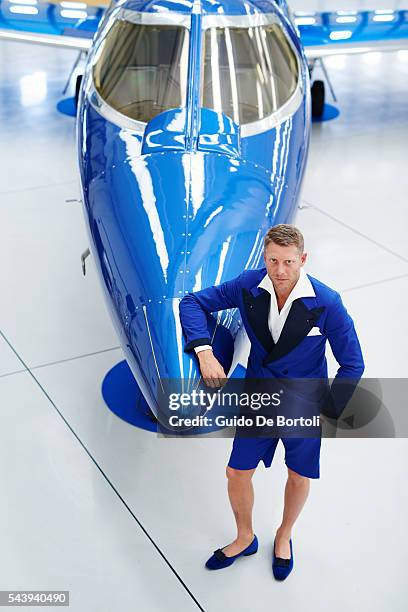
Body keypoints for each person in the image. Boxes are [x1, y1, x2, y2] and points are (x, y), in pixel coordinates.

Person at [179, 224, 364, 579]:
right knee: (236, 471)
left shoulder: (326, 303)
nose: (280, 271)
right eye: (273, 261)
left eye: (289, 262)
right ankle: (245, 536)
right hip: (259, 398)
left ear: (303, 260)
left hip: (303, 403)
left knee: (298, 474)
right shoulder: (249, 285)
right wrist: (204, 351)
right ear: (265, 257)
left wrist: (330, 410)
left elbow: (353, 362)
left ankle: (284, 534)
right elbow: (193, 302)